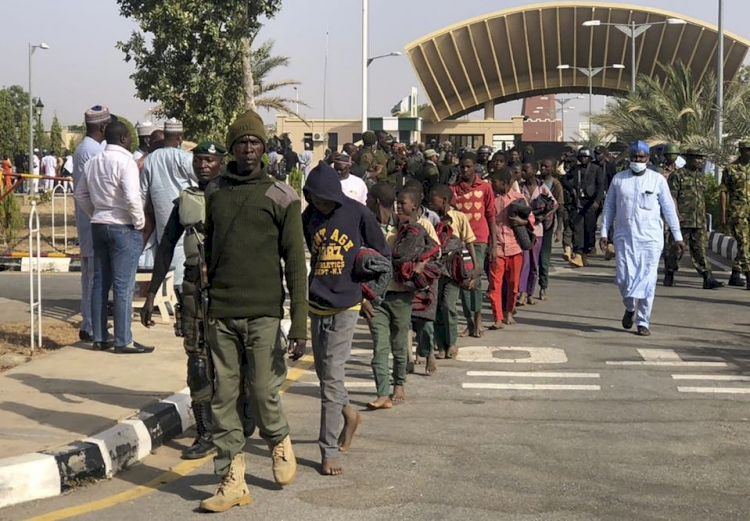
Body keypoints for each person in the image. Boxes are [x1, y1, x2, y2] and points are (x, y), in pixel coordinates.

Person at [200, 110, 307, 512]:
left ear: (265, 148)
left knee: (263, 390)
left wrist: (299, 324)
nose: (248, 148)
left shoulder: (282, 195)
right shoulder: (214, 192)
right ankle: (231, 479)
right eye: (242, 142)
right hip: (222, 312)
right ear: (231, 148)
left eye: (255, 142)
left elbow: (295, 263)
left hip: (263, 311)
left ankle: (278, 438)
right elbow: (208, 250)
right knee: (223, 398)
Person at [141, 141, 245, 459]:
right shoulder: (184, 202)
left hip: (229, 291)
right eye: (198, 160)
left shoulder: (236, 196)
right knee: (198, 363)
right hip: (193, 292)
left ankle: (240, 417)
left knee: (234, 360)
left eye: (209, 160)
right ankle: (204, 432)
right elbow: (165, 246)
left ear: (221, 163)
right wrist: (150, 295)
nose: (202, 165)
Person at [303, 160, 388, 476]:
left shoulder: (357, 213)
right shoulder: (308, 216)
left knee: (332, 377)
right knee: (326, 376)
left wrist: (370, 294)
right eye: (314, 197)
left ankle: (326, 450)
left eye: (324, 198)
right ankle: (350, 414)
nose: (320, 203)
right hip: (317, 302)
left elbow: (382, 257)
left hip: (348, 304)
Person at [75, 121, 152, 354]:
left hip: (99, 224)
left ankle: (100, 337)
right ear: (123, 139)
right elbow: (131, 197)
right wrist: (139, 223)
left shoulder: (93, 162)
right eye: (129, 137)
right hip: (122, 226)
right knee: (123, 285)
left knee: (100, 283)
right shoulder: (126, 162)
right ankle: (123, 340)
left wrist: (96, 213)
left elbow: (80, 193)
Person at [600, 141, 685, 337]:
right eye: (635, 157)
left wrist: (677, 235)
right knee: (623, 278)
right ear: (629, 158)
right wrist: (604, 232)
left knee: (648, 279)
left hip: (651, 239)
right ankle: (630, 307)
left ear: (648, 158)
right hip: (624, 237)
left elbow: (669, 210)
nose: (638, 160)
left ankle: (643, 321)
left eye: (641, 157)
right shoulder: (619, 180)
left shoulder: (657, 180)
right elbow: (609, 208)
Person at [363, 182, 417, 404]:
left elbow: (428, 253)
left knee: (399, 344)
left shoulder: (407, 227)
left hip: (402, 295)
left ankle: (399, 384)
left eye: (368, 199)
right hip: (375, 298)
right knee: (379, 346)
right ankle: (382, 393)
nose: (365, 203)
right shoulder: (366, 227)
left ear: (376, 202)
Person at [141, 118, 196, 292]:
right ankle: (175, 299)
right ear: (179, 137)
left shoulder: (150, 159)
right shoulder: (185, 158)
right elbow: (199, 182)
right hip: (183, 216)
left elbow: (142, 192)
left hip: (161, 216)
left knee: (164, 254)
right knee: (180, 257)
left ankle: (165, 296)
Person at [72, 106, 111, 342]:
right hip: (93, 219)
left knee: (91, 276)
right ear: (103, 127)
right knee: (94, 276)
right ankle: (91, 325)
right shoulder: (92, 151)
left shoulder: (87, 148)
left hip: (90, 219)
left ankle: (90, 323)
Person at [429, 184, 478, 358]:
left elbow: (469, 241)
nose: (430, 203)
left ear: (443, 200)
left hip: (453, 269)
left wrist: (474, 267)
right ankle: (440, 344)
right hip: (435, 270)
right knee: (435, 307)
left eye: (433, 200)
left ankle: (452, 342)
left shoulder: (459, 217)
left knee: (448, 305)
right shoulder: (431, 219)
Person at [451, 151, 497, 338]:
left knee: (475, 276)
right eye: (462, 167)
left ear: (475, 167)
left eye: (469, 166)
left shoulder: (485, 187)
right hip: (459, 239)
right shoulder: (454, 189)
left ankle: (478, 318)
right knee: (463, 278)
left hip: (479, 238)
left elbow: (491, 215)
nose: (465, 170)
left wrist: (493, 244)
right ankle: (469, 321)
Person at [664, 148, 723, 289]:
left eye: (702, 159)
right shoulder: (677, 175)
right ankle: (669, 273)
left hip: (699, 220)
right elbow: (672, 197)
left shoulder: (700, 177)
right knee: (675, 249)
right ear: (688, 158)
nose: (701, 161)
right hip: (683, 219)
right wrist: (676, 214)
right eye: (697, 158)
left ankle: (707, 277)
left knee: (700, 249)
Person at [488, 168, 530, 328]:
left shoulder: (519, 199)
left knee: (513, 284)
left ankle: (509, 313)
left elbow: (530, 219)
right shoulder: (492, 200)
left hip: (515, 247)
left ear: (504, 183)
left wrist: (522, 222)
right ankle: (497, 318)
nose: (492, 184)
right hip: (497, 247)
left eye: (495, 182)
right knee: (495, 285)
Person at [517, 160, 557, 306]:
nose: (523, 173)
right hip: (523, 230)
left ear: (533, 171)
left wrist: (544, 216)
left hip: (537, 230)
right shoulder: (520, 188)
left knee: (534, 264)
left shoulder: (542, 188)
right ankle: (521, 292)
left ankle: (530, 293)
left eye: (526, 170)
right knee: (524, 262)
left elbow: (554, 204)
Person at [562, 147, 605, 267]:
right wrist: (572, 190)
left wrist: (597, 201)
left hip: (591, 203)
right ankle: (578, 254)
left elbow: (600, 186)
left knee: (589, 229)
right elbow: (564, 179)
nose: (583, 159)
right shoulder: (576, 169)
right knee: (578, 229)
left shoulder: (596, 169)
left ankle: (586, 251)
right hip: (579, 203)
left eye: (585, 157)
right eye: (581, 157)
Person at [720, 140, 750, 288]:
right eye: (747, 150)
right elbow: (723, 191)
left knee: (746, 245)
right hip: (738, 212)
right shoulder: (730, 169)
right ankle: (749, 275)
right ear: (741, 151)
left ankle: (736, 274)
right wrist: (724, 214)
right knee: (743, 242)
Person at [538, 159, 565, 300]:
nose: (543, 168)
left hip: (547, 224)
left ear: (552, 168)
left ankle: (543, 287)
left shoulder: (556, 185)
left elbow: (560, 208)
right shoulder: (536, 182)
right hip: (533, 223)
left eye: (546, 166)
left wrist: (559, 228)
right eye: (542, 166)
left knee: (544, 257)